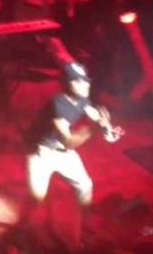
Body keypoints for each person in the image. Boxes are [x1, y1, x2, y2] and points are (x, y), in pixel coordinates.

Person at [19, 62, 123, 237]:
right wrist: (93, 129)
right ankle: (20, 227)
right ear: (68, 84)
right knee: (36, 197)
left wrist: (108, 130)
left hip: (62, 152)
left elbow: (95, 116)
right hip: (40, 153)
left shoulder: (82, 99)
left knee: (85, 185)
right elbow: (69, 141)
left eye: (86, 81)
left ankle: (86, 227)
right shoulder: (58, 105)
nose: (86, 85)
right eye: (79, 82)